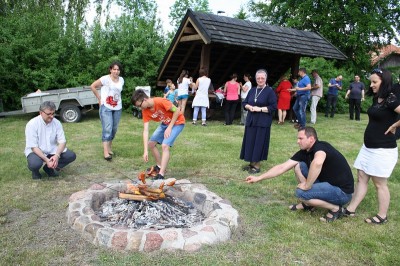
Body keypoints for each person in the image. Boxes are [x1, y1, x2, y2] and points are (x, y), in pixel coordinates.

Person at [245, 127, 354, 222]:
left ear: (311, 139)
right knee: (298, 165)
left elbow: (317, 162)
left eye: (300, 138)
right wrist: (258, 178)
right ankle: (309, 203)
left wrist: (307, 185)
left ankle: (336, 208)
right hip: (328, 184)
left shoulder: (320, 148)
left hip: (342, 192)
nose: (298, 141)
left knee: (301, 193)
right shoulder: (305, 152)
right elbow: (282, 167)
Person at [343, 68, 400, 224]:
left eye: (375, 82)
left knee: (379, 183)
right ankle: (350, 209)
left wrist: (396, 124)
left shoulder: (391, 99)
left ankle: (382, 216)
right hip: (368, 147)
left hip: (383, 150)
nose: (372, 85)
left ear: (384, 82)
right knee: (361, 177)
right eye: (371, 82)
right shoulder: (377, 98)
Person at [131, 89, 185, 180]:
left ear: (145, 100)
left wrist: (170, 127)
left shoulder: (160, 101)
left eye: (139, 106)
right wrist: (145, 151)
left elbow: (177, 111)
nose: (140, 108)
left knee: (165, 145)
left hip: (177, 122)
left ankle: (161, 174)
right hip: (165, 123)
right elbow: (145, 130)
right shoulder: (145, 111)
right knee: (151, 144)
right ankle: (159, 166)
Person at [25, 101, 76, 179]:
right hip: (36, 151)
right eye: (49, 114)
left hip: (52, 150)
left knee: (71, 155)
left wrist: (57, 156)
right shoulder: (32, 124)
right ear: (41, 113)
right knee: (35, 164)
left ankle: (49, 169)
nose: (52, 116)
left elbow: (62, 141)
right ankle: (35, 172)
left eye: (53, 113)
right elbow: (33, 147)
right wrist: (46, 160)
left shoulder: (57, 123)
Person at [240, 69, 277, 174]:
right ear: (256, 79)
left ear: (265, 79)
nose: (260, 80)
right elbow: (245, 103)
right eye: (258, 78)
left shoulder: (270, 91)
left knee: (259, 143)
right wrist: (249, 107)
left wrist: (260, 109)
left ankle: (257, 165)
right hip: (251, 120)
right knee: (250, 141)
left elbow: (273, 107)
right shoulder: (252, 90)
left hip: (263, 122)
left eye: (262, 78)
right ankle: (251, 163)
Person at [90, 61, 124, 160]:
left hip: (118, 107)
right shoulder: (105, 79)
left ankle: (109, 147)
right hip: (106, 107)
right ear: (110, 70)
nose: (116, 71)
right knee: (107, 129)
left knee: (114, 129)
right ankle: (106, 152)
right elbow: (92, 86)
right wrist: (99, 99)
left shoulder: (121, 80)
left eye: (118, 70)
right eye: (114, 69)